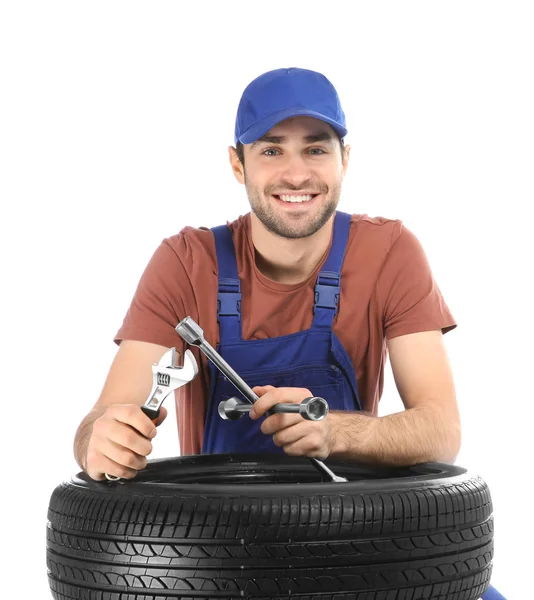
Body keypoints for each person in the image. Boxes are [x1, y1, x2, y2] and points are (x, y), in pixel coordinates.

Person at [74, 66, 462, 481]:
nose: (296, 175)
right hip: (214, 537)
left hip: (350, 532)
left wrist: (335, 431)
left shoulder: (389, 252)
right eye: (272, 151)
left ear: (344, 160)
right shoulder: (184, 263)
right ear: (238, 164)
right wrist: (102, 441)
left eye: (315, 150)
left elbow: (441, 429)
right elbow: (99, 421)